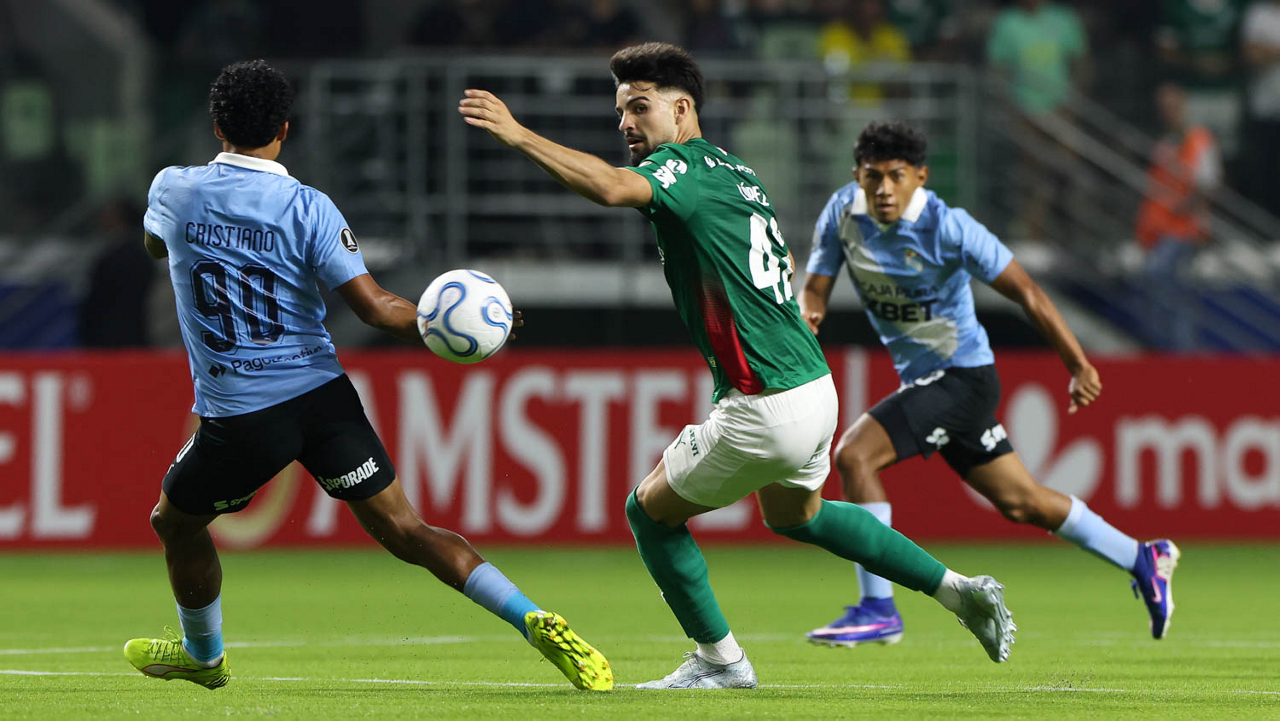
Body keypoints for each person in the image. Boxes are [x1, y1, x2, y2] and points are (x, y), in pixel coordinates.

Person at [459, 42, 1016, 690]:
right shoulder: (737, 172)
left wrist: (519, 133)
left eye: (639, 107)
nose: (625, 124)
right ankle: (958, 591)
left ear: (682, 108)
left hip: (766, 398)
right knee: (796, 515)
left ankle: (720, 658)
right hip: (814, 388)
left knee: (648, 512)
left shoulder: (683, 170)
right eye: (620, 111)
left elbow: (612, 188)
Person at [124, 60, 612, 692]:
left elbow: (156, 248)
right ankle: (533, 617)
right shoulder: (310, 207)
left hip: (243, 415)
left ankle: (204, 654)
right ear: (285, 130)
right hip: (323, 401)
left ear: (216, 126)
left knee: (174, 522)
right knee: (408, 530)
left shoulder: (174, 190)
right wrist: (452, 324)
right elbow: (378, 310)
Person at [798, 121, 1180, 649]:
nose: (883, 189)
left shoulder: (950, 227)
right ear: (856, 176)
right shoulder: (843, 213)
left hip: (964, 378)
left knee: (855, 457)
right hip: (930, 382)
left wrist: (1079, 364)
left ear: (920, 177)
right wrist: (808, 314)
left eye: (896, 176)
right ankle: (1142, 556)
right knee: (1022, 503)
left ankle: (878, 607)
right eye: (872, 177)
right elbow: (816, 287)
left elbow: (1028, 293)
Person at [1134, 82, 1221, 351]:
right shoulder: (1164, 143)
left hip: (1183, 229)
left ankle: (1175, 348)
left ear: (1183, 105)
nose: (1167, 112)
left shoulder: (1199, 139)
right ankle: (1169, 347)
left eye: (1172, 106)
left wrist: (1185, 207)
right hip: (1158, 230)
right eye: (1163, 108)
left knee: (1161, 278)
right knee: (1170, 290)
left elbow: (1208, 183)